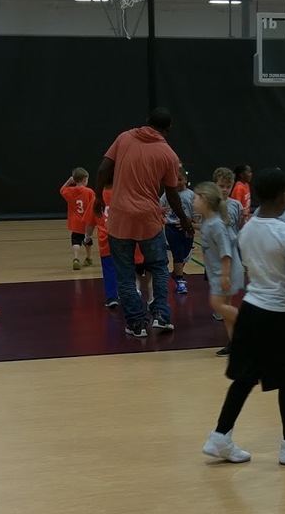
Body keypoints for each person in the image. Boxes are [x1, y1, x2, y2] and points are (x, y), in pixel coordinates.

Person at [203, 167, 285, 465]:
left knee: (245, 377)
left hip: (251, 309)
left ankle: (220, 436)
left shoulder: (247, 230)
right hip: (277, 315)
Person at [94, 107, 192, 340]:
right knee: (158, 267)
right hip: (149, 219)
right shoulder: (169, 154)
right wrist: (184, 218)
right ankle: (160, 316)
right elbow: (172, 193)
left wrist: (98, 197)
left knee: (125, 274)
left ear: (146, 121)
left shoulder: (124, 137)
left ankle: (136, 324)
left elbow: (103, 168)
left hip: (120, 219)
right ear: (168, 129)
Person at [194, 181, 244, 355]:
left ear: (206, 200)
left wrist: (224, 275)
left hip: (225, 272)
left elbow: (226, 253)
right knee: (225, 311)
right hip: (219, 272)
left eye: (196, 198)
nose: (193, 201)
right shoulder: (209, 222)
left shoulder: (217, 225)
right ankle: (235, 344)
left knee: (216, 304)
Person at [161, 164, 195, 295]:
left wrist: (191, 221)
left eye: (180, 179)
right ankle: (180, 281)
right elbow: (159, 205)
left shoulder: (191, 195)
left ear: (185, 179)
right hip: (172, 227)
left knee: (185, 254)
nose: (178, 183)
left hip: (187, 229)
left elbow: (196, 214)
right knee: (178, 254)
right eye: (175, 180)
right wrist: (161, 211)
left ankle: (176, 273)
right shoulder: (167, 194)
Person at [59, 168, 95, 271]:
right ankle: (88, 258)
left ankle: (76, 258)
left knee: (76, 241)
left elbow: (61, 190)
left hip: (75, 223)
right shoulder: (89, 192)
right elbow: (94, 204)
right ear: (84, 180)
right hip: (86, 222)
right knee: (88, 240)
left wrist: (68, 182)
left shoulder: (70, 191)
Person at [214, 167, 245, 238]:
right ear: (214, 185)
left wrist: (242, 219)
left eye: (228, 187)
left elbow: (240, 227)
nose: (225, 189)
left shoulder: (237, 205)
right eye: (221, 186)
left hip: (233, 245)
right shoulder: (209, 204)